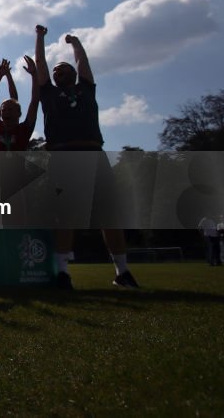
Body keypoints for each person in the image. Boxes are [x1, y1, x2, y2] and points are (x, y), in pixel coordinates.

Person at [34, 24, 139, 290]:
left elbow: (83, 62)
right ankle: (63, 273)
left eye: (64, 68)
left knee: (109, 215)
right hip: (62, 155)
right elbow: (41, 64)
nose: (58, 71)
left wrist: (76, 43)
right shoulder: (49, 93)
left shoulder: (86, 89)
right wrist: (40, 38)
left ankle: (123, 272)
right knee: (64, 216)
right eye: (56, 71)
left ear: (73, 74)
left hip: (92, 152)